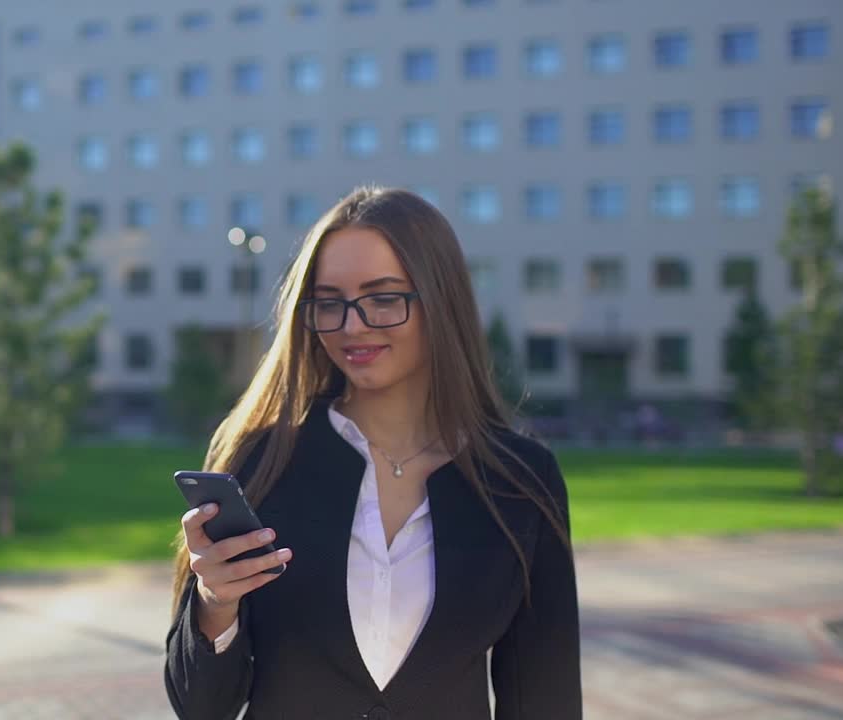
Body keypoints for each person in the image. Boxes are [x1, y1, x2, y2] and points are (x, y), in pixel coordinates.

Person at [164, 187, 581, 720]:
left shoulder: (522, 479)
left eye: (383, 298)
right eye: (330, 302)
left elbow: (545, 699)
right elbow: (200, 707)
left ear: (440, 300)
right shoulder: (259, 459)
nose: (351, 325)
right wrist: (215, 604)